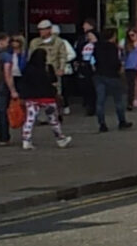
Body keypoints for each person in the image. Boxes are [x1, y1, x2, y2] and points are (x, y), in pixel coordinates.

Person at [19, 20, 74, 149]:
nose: (41, 32)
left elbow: (62, 56)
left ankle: (27, 139)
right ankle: (59, 138)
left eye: (44, 29)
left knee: (32, 117)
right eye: (39, 29)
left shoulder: (59, 42)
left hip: (50, 74)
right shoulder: (35, 43)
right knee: (49, 115)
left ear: (50, 29)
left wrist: (61, 68)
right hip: (46, 88)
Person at [86, 21, 128, 131]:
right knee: (118, 100)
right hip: (112, 76)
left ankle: (102, 124)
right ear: (113, 37)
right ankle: (122, 121)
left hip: (99, 75)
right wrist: (119, 68)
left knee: (100, 101)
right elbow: (116, 61)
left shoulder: (97, 46)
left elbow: (92, 60)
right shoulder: (114, 48)